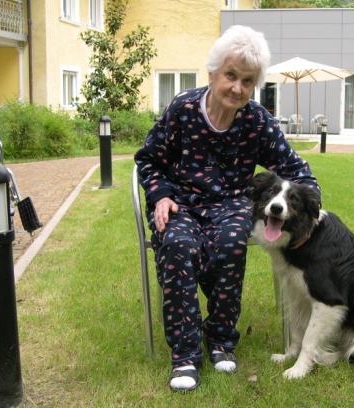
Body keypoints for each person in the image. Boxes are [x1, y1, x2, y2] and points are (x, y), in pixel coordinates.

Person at [135, 25, 320, 391]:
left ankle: (220, 339)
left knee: (232, 241)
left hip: (231, 204)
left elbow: (297, 170)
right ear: (212, 73)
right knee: (178, 244)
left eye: (247, 81)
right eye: (230, 75)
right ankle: (185, 355)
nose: (237, 88)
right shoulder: (183, 109)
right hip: (180, 202)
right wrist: (161, 195)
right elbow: (148, 159)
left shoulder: (256, 121)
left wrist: (312, 205)